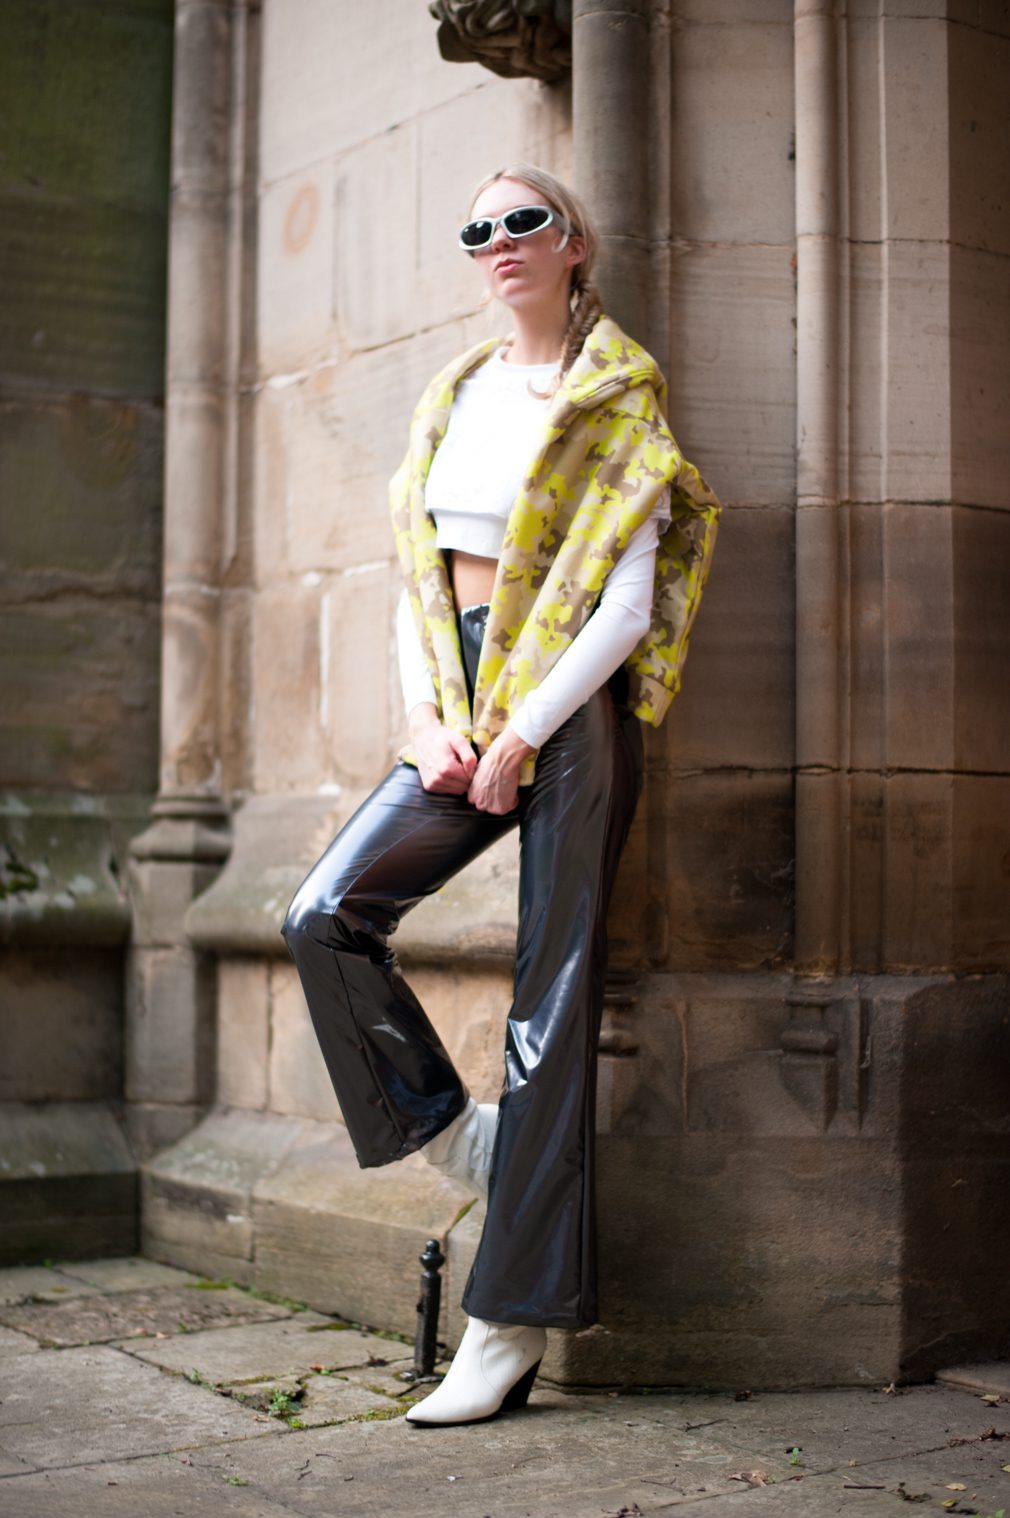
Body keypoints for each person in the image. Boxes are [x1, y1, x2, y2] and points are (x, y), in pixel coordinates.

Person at [281, 163, 720, 1427]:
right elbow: (414, 579)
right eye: (478, 229)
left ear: (573, 243)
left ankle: (508, 1323)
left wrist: (525, 730)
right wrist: (428, 718)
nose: (499, 242)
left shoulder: (615, 395)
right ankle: (457, 1138)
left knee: (552, 995)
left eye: (523, 220)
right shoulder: (454, 393)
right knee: (323, 915)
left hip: (569, 703)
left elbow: (623, 604)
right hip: (458, 693)